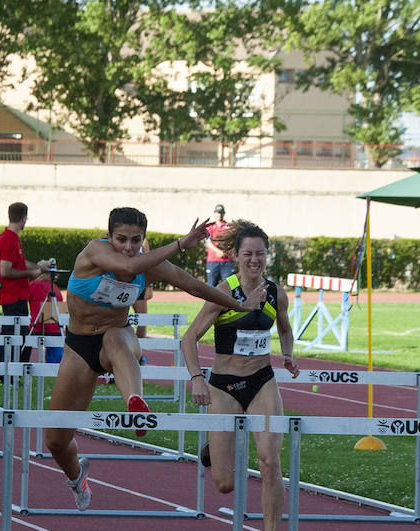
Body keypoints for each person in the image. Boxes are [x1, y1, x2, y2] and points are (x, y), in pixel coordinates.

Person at [44, 207, 264, 510]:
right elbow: (124, 263)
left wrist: (238, 306)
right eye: (121, 239)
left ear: (144, 239)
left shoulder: (149, 265)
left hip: (118, 338)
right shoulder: (96, 252)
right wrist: (178, 244)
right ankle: (77, 476)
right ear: (109, 236)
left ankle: (136, 403)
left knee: (114, 337)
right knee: (55, 440)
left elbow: (194, 286)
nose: (129, 247)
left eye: (136, 240)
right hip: (79, 345)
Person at [181, 221, 298, 531]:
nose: (254, 260)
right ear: (235, 256)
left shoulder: (276, 293)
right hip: (223, 386)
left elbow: (285, 328)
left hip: (262, 381)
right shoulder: (223, 292)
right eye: (247, 253)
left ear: (267, 256)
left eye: (260, 253)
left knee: (269, 460)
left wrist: (288, 354)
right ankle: (213, 452)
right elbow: (189, 339)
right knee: (224, 484)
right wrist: (197, 379)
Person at [0, 201, 49, 369]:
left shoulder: (12, 238)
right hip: (13, 296)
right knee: (16, 336)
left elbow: (18, 263)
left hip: (16, 295)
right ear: (24, 219)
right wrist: (32, 273)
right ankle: (8, 371)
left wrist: (38, 267)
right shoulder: (9, 239)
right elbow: (5, 271)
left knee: (14, 335)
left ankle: (7, 371)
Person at [204, 203, 234, 285]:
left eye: (221, 213)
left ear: (224, 214)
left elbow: (233, 242)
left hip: (228, 261)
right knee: (211, 287)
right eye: (217, 212)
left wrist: (225, 252)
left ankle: (237, 298)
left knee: (233, 285)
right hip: (212, 261)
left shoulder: (230, 227)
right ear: (214, 213)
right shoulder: (210, 227)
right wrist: (218, 252)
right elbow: (207, 242)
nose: (219, 215)